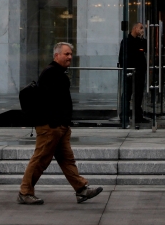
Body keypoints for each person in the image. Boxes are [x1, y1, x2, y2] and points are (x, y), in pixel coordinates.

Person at [18, 42, 104, 205]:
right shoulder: (51, 73)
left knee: (67, 160)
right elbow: (48, 102)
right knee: (40, 160)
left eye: (71, 54)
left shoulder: (58, 73)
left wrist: (64, 124)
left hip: (60, 127)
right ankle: (25, 192)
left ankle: (81, 189)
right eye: (66, 54)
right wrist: (56, 123)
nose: (70, 57)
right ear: (56, 55)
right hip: (51, 127)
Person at [118, 22, 148, 127]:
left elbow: (146, 48)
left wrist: (142, 38)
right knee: (127, 94)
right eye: (140, 28)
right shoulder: (126, 42)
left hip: (140, 72)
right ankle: (124, 115)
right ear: (134, 28)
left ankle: (138, 115)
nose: (142, 30)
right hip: (130, 72)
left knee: (139, 94)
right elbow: (122, 57)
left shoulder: (141, 41)